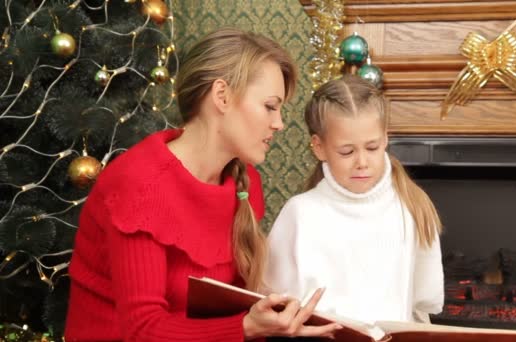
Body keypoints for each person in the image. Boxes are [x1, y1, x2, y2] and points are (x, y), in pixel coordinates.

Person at [65, 27, 341, 341]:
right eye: (269, 106)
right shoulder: (140, 186)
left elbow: (231, 307)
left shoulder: (244, 180)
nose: (278, 123)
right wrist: (247, 327)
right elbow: (143, 331)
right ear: (221, 95)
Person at [264, 75, 444, 326]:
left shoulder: (411, 208)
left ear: (385, 139)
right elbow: (273, 302)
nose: (362, 161)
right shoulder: (300, 213)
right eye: (347, 151)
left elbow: (423, 304)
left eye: (372, 147)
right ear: (319, 147)